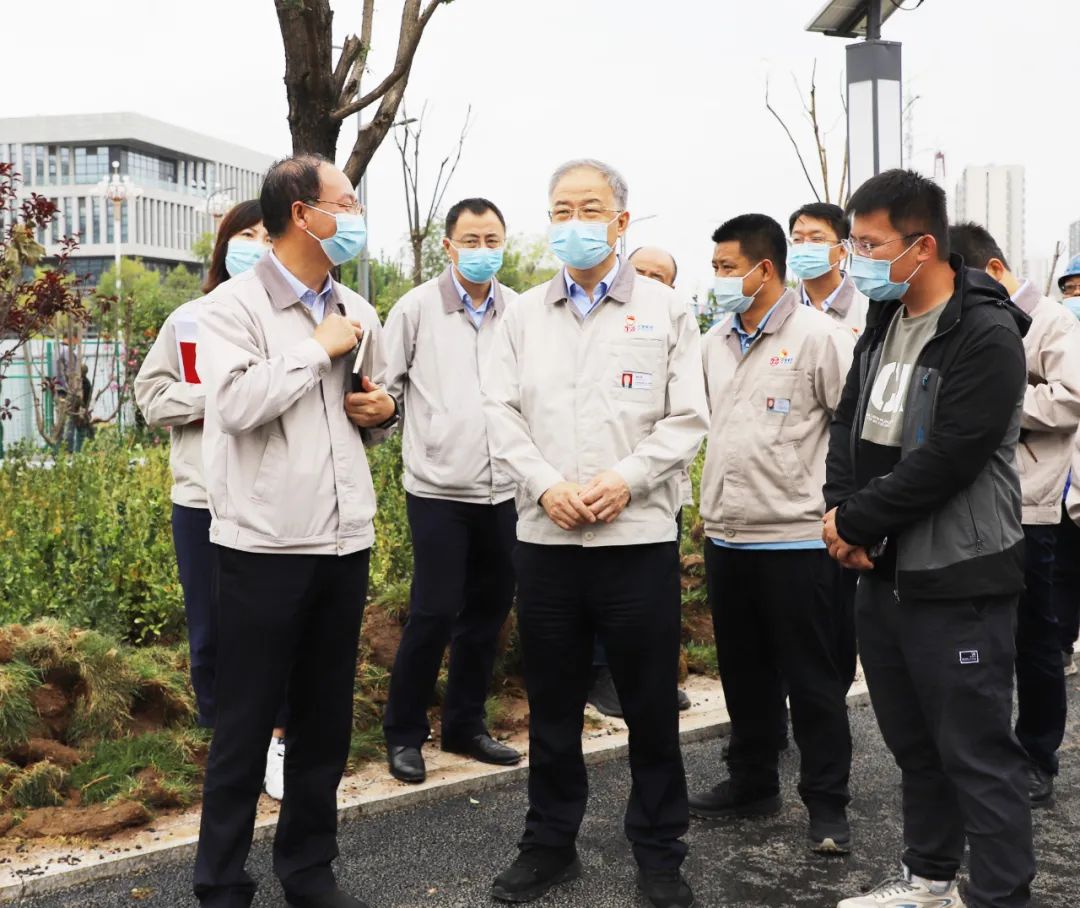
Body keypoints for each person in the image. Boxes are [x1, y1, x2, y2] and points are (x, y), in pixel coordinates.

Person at [482, 159, 708, 908]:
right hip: (547, 539)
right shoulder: (523, 315)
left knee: (649, 705)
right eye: (561, 210)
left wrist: (627, 479)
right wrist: (546, 484)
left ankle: (660, 851)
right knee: (552, 705)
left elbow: (688, 417)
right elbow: (498, 411)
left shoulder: (666, 311)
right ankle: (549, 844)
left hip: (634, 538)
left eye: (589, 208)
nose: (574, 223)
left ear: (620, 221)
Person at [823, 169, 1034, 908]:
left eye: (870, 245)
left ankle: (1000, 896)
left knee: (976, 752)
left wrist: (856, 522)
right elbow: (850, 421)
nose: (857, 259)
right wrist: (840, 511)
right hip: (884, 571)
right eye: (853, 243)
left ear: (923, 246)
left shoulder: (987, 332)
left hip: (959, 574)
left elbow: (952, 456)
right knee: (914, 745)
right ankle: (929, 881)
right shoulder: (885, 318)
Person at [193, 154, 397, 908]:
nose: (356, 216)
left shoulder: (356, 308)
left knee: (324, 722)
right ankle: (221, 882)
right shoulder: (233, 307)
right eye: (347, 202)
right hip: (264, 545)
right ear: (303, 213)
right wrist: (316, 349)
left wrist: (383, 414)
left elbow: (369, 408)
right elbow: (234, 405)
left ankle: (309, 871)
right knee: (245, 725)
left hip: (343, 541)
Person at [688, 214, 855, 856]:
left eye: (727, 268)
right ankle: (752, 781)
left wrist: (846, 515)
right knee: (744, 672)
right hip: (729, 536)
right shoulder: (714, 342)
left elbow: (852, 429)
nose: (718, 279)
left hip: (798, 539)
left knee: (813, 679)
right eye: (715, 268)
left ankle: (827, 803)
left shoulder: (820, 337)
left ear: (764, 268)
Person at [134, 201, 294, 797]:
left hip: (272, 496)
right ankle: (225, 739)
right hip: (201, 497)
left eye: (266, 235)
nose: (255, 245)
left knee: (273, 626)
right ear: (224, 245)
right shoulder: (189, 320)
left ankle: (276, 738)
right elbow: (151, 398)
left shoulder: (291, 320)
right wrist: (219, 398)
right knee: (208, 631)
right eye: (244, 234)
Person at [380, 197, 522, 784]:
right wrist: (387, 415)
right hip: (439, 488)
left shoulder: (520, 311)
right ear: (448, 246)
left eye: (492, 240)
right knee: (434, 611)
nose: (482, 251)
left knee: (488, 613)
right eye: (471, 240)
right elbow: (385, 392)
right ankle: (404, 733)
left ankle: (465, 725)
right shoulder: (415, 309)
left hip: (506, 489)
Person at [949, 222, 1080, 807]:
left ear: (995, 271)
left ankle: (1037, 756)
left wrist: (1000, 398)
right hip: (974, 502)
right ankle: (982, 753)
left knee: (1035, 638)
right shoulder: (969, 319)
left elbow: (1073, 396)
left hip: (1031, 505)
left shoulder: (1052, 322)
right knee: (980, 639)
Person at [586, 243, 692, 719]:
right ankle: (602, 673)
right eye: (640, 272)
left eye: (658, 276)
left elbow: (687, 414)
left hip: (657, 485)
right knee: (598, 587)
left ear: (672, 286)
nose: (647, 281)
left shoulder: (674, 323)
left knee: (654, 593)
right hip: (596, 482)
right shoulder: (603, 325)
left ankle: (655, 676)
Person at [789, 202, 869, 338]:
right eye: (797, 239)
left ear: (842, 250)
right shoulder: (781, 311)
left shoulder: (867, 308)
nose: (805, 246)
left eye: (816, 239)